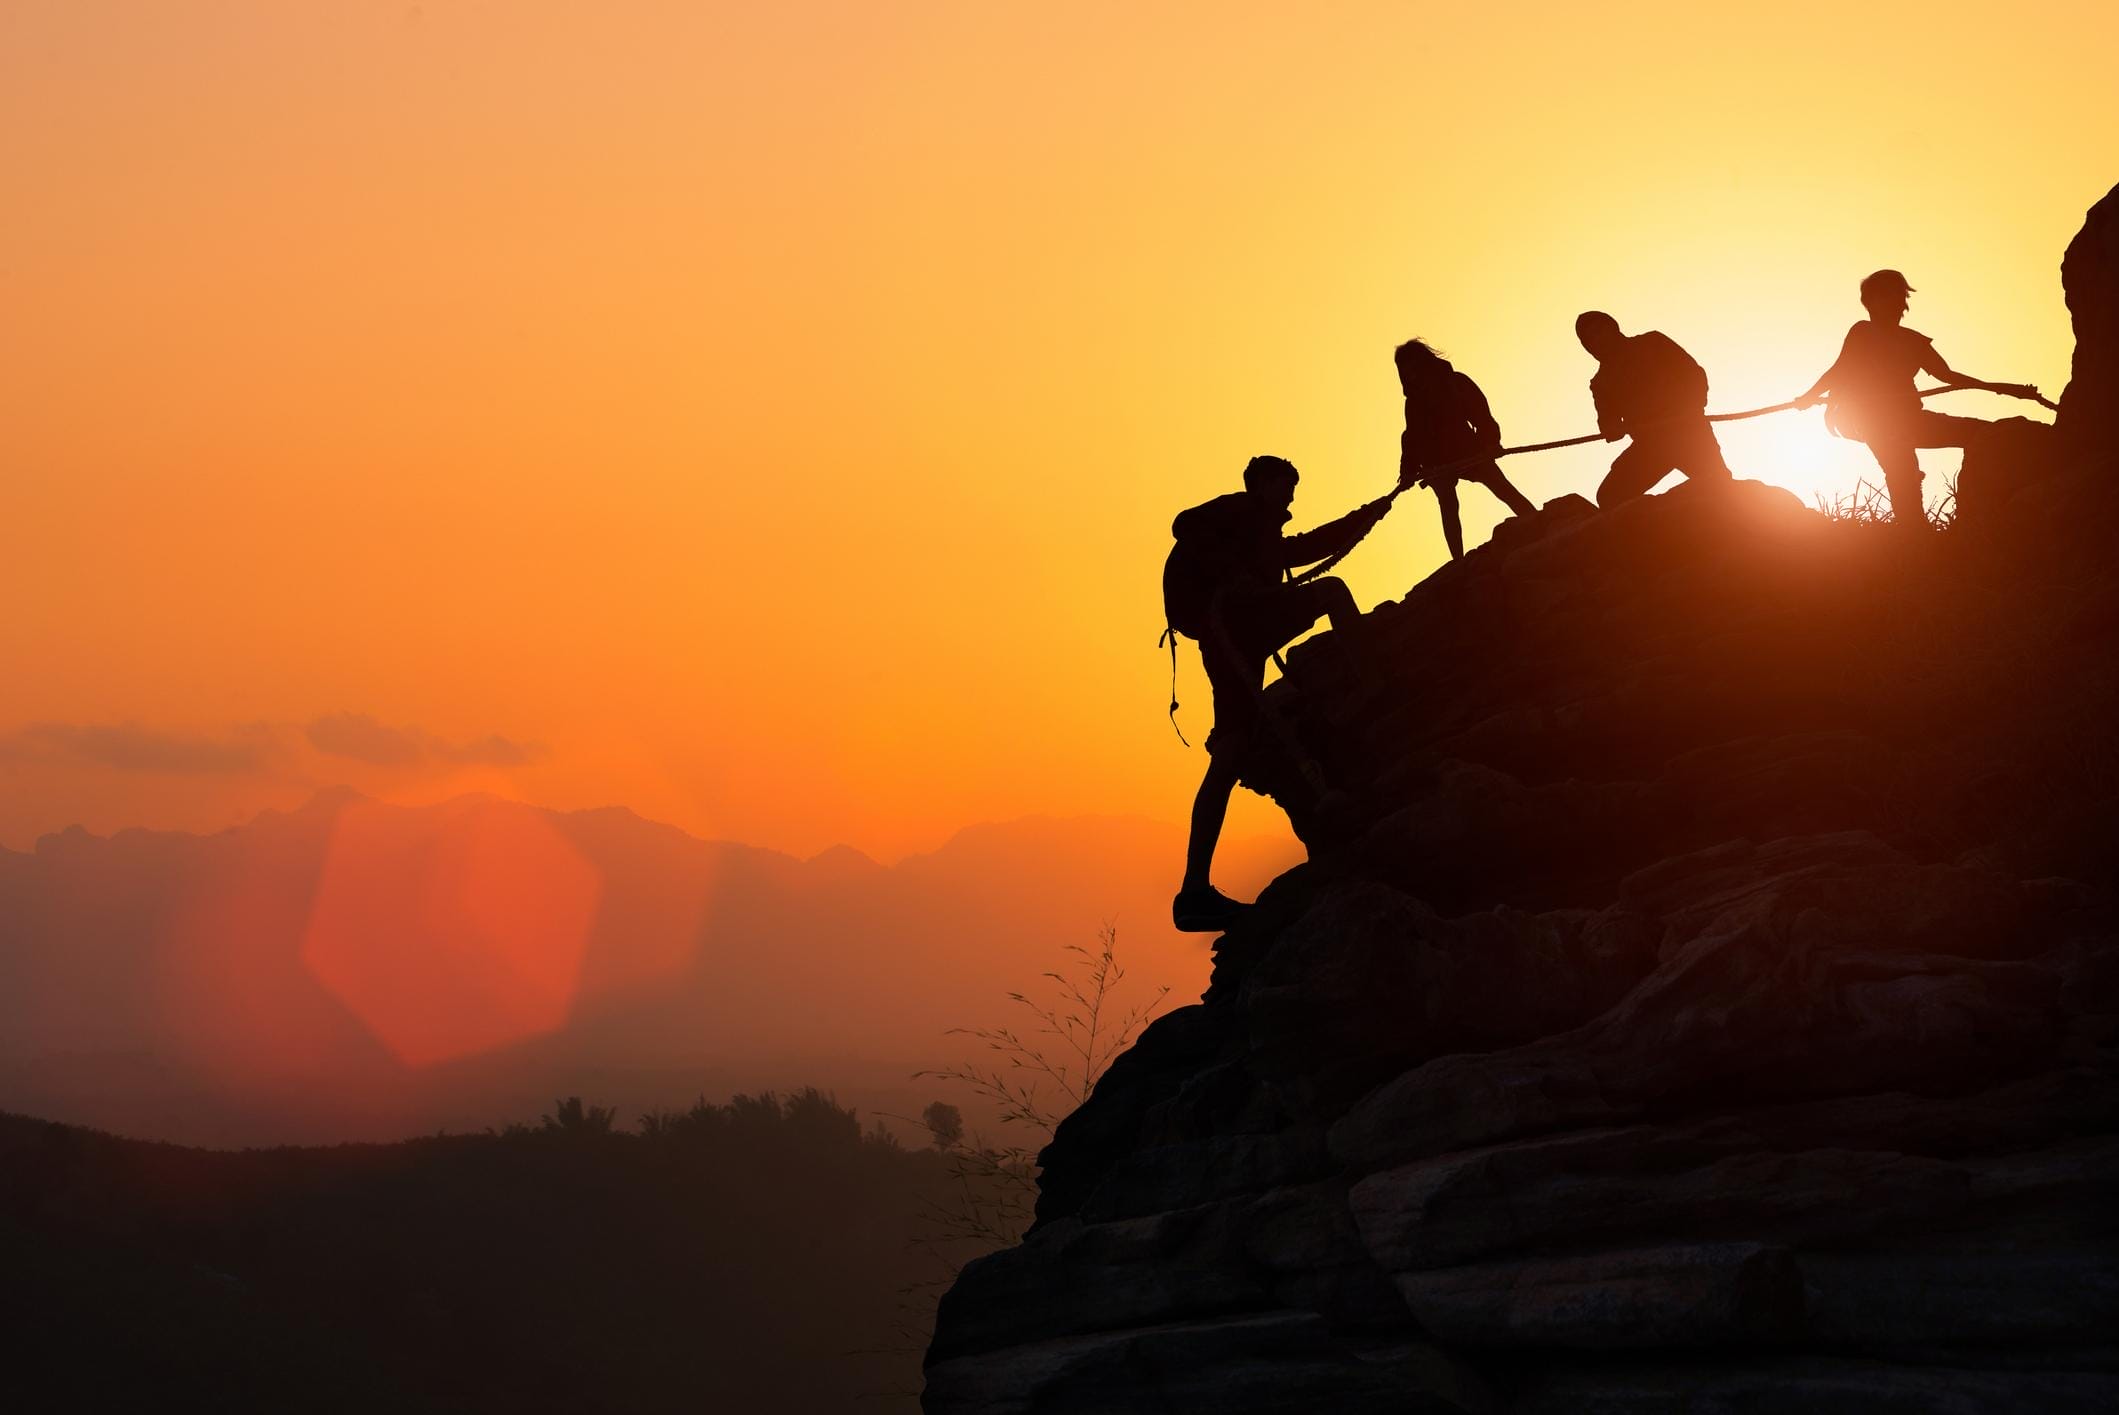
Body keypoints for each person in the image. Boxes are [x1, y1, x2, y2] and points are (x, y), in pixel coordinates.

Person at [1165, 455, 1389, 931]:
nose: (1290, 497)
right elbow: (1183, 523)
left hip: (1237, 636)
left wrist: (1372, 513)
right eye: (1285, 487)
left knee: (1229, 755)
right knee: (1331, 593)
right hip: (1239, 628)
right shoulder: (1241, 511)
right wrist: (1233, 576)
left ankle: (1193, 890)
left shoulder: (1259, 532)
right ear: (1262, 484)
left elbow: (1303, 549)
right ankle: (1377, 689)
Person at [1793, 270, 2043, 531]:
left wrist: (2004, 389)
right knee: (1902, 468)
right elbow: (1840, 370)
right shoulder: (1862, 333)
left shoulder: (1914, 342)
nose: (1901, 305)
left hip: (1909, 419)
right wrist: (1809, 397)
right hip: (1871, 421)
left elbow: (1949, 376)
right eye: (1894, 297)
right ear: (1874, 301)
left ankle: (1962, 519)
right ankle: (1914, 533)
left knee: (1981, 434)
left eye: (1902, 298)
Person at [1395, 339, 1535, 560]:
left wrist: (1490, 443)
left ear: (1424, 362)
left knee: (1502, 488)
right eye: (1405, 368)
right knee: (1448, 506)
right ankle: (1458, 561)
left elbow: (1481, 414)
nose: (1411, 372)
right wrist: (1408, 471)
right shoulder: (1413, 402)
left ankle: (1536, 521)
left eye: (1413, 365)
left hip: (1470, 452)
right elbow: (1411, 437)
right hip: (1436, 463)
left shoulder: (1455, 382)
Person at [1574, 312, 1734, 506]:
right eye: (1589, 339)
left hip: (1688, 434)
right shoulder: (1601, 383)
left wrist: (1691, 409)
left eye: (1599, 332)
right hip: (1650, 447)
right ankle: (1662, 522)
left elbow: (1694, 374)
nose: (1596, 341)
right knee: (1610, 497)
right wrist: (1611, 428)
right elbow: (1611, 428)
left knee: (1722, 488)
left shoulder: (1652, 343)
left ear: (1613, 328)